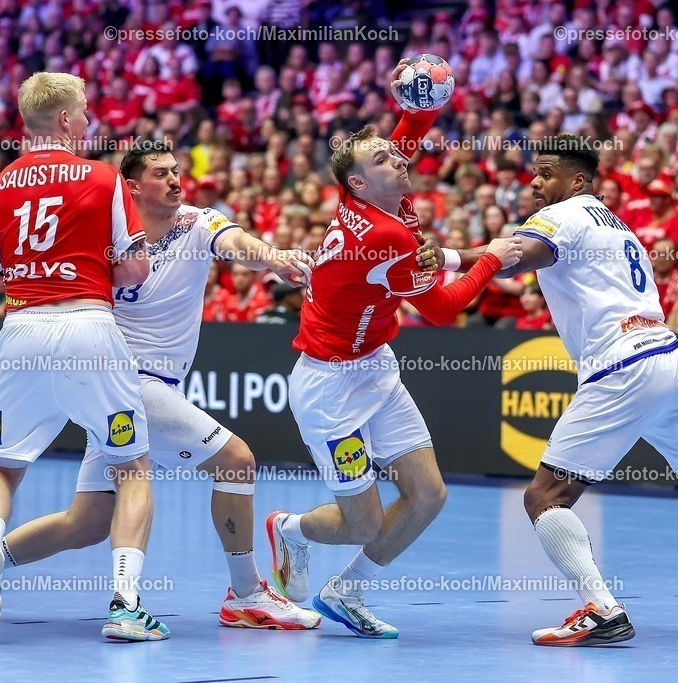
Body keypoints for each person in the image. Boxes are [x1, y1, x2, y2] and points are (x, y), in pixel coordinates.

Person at [0, 140, 321, 631]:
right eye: (160, 173)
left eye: (175, 171)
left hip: (117, 393)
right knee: (236, 462)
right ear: (130, 187)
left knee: (86, 523)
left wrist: (274, 257)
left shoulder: (197, 222)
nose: (174, 180)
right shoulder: (103, 238)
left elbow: (237, 244)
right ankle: (246, 593)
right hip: (125, 381)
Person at [436, 134, 678, 645]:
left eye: (546, 173)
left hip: (620, 366)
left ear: (577, 180)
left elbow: (517, 253)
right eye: (535, 172)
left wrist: (444, 257)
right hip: (670, 359)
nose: (535, 181)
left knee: (544, 497)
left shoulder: (564, 215)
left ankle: (601, 609)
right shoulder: (616, 224)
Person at [265, 61, 522, 639]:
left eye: (394, 154)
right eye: (383, 159)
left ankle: (346, 591)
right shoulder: (385, 235)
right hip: (329, 387)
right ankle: (291, 528)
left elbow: (410, 129)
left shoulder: (377, 196)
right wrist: (491, 259)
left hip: (376, 368)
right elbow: (442, 309)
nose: (398, 159)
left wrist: (427, 92)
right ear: (358, 181)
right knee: (364, 522)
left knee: (428, 495)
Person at [0, 73, 167, 641]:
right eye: (87, 115)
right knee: (132, 470)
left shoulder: (0, 184)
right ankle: (125, 606)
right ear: (68, 120)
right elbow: (135, 269)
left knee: (2, 467)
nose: (92, 123)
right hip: (88, 327)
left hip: (22, 327)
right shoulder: (103, 179)